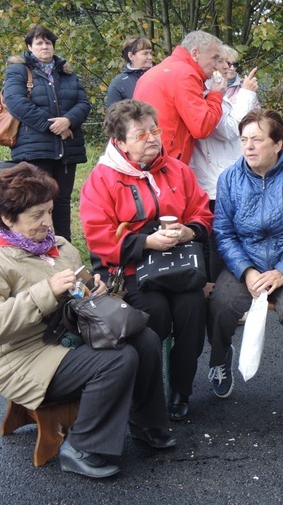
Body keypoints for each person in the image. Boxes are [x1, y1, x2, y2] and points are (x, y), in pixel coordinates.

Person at [0, 163, 173, 479]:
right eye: (37, 216)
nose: (48, 222)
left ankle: (146, 424)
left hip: (69, 337)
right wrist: (45, 292)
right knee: (118, 359)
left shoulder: (58, 246)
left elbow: (81, 293)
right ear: (7, 218)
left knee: (145, 338)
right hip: (21, 358)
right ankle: (83, 447)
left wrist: (95, 289)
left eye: (49, 211)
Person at [79, 100, 213, 422]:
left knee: (193, 307)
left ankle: (181, 389)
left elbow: (202, 212)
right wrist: (145, 242)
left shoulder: (177, 170)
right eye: (141, 135)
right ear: (120, 142)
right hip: (129, 269)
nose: (153, 138)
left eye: (155, 130)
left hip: (179, 262)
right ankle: (145, 394)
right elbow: (99, 236)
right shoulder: (102, 179)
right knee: (155, 311)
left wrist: (187, 232)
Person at [208, 109, 283, 406]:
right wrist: (245, 271)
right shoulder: (230, 178)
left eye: (257, 140)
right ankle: (220, 358)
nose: (248, 146)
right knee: (220, 303)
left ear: (278, 143)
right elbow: (223, 232)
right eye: (244, 139)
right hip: (246, 261)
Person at [2, 24, 90, 241]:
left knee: (62, 202)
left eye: (48, 43)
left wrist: (68, 121)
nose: (44, 47)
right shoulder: (18, 70)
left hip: (67, 149)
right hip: (34, 150)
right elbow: (15, 102)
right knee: (37, 202)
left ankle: (64, 248)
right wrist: (52, 126)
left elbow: (83, 103)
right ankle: (36, 245)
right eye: (39, 43)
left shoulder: (66, 72)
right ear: (30, 47)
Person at [189, 47, 259, 281]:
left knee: (239, 234)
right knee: (216, 238)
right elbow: (229, 129)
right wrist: (247, 96)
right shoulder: (207, 91)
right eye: (224, 63)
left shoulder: (240, 90)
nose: (230, 68)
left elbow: (254, 124)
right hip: (213, 177)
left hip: (239, 172)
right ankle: (215, 292)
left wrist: (248, 97)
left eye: (234, 65)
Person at [133, 30, 226, 164]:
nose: (216, 65)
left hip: (145, 154)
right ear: (195, 53)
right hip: (164, 161)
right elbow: (202, 127)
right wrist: (216, 94)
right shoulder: (185, 74)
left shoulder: (159, 70)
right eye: (214, 58)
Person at [106, 35, 154, 107]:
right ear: (131, 56)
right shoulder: (119, 84)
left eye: (150, 53)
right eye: (145, 53)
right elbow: (113, 116)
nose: (150, 57)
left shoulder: (158, 75)